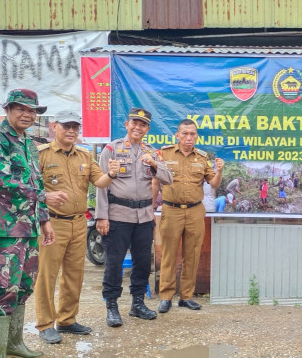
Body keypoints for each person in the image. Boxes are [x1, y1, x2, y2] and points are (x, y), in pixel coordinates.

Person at [0, 89, 56, 358]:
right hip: (2, 227)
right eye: (21, 108)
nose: (27, 114)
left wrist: (44, 220)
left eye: (32, 111)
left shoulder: (29, 144)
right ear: (8, 109)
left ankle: (14, 344)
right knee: (2, 289)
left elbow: (35, 180)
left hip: (28, 227)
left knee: (22, 286)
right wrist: (46, 194)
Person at [34, 111, 121, 343]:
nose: (72, 131)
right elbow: (30, 189)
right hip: (52, 223)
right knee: (47, 275)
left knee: (74, 274)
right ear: (54, 126)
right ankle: (45, 323)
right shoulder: (41, 154)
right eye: (66, 126)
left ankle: (67, 320)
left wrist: (111, 173)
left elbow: (100, 182)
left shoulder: (83, 155)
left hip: (78, 222)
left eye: (75, 127)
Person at [97, 108, 173, 327]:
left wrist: (155, 164)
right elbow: (101, 185)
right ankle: (112, 306)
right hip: (118, 215)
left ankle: (137, 304)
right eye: (134, 123)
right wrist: (102, 216)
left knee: (142, 262)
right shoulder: (112, 149)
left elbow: (168, 179)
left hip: (144, 217)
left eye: (143, 124)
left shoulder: (153, 153)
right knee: (114, 262)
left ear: (148, 128)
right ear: (126, 124)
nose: (138, 127)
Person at [158, 119, 224, 312]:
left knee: (192, 254)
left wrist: (219, 171)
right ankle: (166, 296)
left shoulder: (202, 158)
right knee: (169, 254)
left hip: (195, 211)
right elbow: (155, 181)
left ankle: (186, 296)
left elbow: (214, 184)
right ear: (177, 135)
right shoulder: (164, 154)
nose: (189, 137)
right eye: (185, 133)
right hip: (171, 210)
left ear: (196, 136)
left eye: (192, 134)